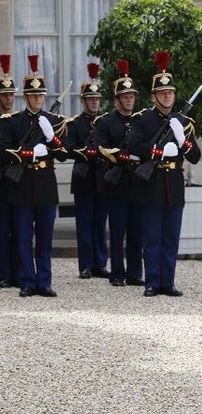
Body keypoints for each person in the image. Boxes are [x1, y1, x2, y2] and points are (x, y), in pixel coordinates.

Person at [127, 51, 201, 297]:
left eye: (170, 92)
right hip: (152, 184)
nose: (167, 96)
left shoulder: (183, 123)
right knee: (152, 238)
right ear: (154, 96)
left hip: (174, 184)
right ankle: (152, 282)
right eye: (162, 92)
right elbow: (134, 146)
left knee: (171, 238)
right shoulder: (143, 120)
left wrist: (182, 139)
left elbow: (195, 157)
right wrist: (158, 150)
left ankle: (167, 282)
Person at [0, 55, 68, 297]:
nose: (38, 99)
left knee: (44, 239)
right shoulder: (12, 122)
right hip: (22, 186)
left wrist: (52, 138)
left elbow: (62, 154)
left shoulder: (54, 121)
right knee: (23, 238)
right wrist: (29, 153)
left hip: (46, 186)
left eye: (41, 95)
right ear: (26, 97)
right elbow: (4, 152)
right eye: (33, 95)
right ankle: (28, 281)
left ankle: (44, 282)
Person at [93, 59, 144, 287]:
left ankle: (134, 274)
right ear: (116, 100)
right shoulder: (105, 122)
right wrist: (119, 156)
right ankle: (117, 273)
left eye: (132, 96)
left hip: (137, 182)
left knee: (137, 231)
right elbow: (99, 147)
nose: (129, 99)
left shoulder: (142, 120)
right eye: (125, 97)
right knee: (117, 232)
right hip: (117, 183)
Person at [64, 63, 109, 279]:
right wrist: (87, 151)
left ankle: (100, 263)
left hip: (102, 179)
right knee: (84, 225)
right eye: (90, 99)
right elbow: (69, 149)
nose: (94, 102)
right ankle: (85, 265)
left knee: (100, 224)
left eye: (97, 99)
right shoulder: (74, 124)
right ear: (83, 101)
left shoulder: (106, 122)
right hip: (83, 179)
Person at [0, 54, 19, 288]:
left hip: (18, 180)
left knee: (19, 229)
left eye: (10, 95)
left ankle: (17, 272)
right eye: (4, 95)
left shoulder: (18, 119)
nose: (7, 99)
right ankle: (4, 272)